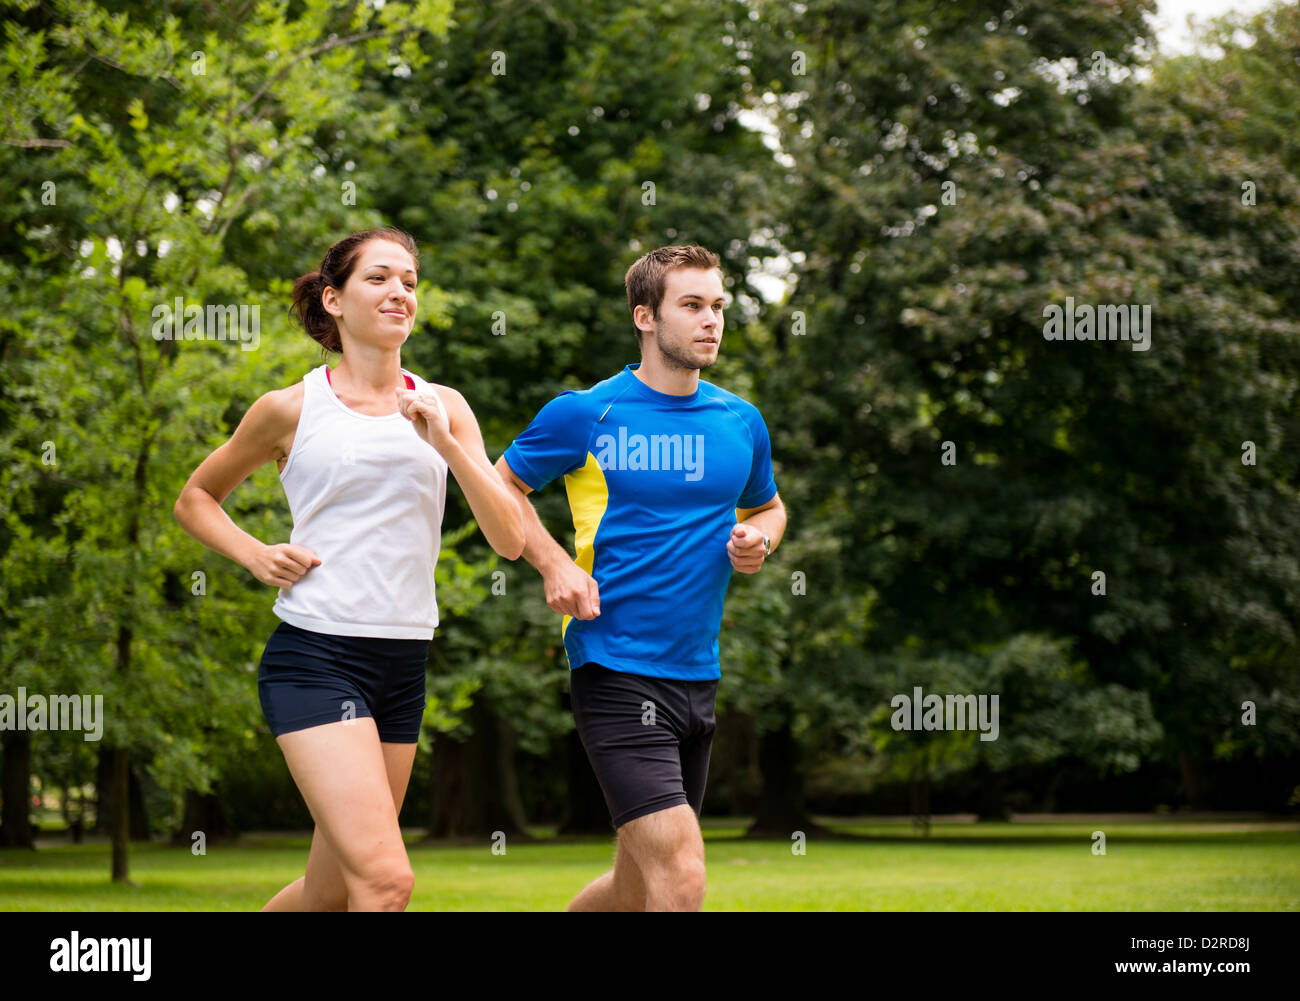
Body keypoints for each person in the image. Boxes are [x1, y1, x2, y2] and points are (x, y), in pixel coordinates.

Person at [173, 227, 524, 911]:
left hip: (403, 663)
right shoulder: (290, 407)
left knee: (330, 890)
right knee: (387, 882)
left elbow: (510, 538)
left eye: (411, 282)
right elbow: (195, 497)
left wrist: (447, 444)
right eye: (380, 278)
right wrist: (254, 553)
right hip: (316, 658)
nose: (400, 292)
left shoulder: (445, 406)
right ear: (334, 300)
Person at [495, 244, 787, 911]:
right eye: (692, 305)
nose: (711, 320)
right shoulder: (586, 413)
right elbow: (499, 481)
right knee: (681, 876)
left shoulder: (740, 420)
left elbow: (768, 505)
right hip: (615, 666)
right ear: (645, 316)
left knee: (636, 886)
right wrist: (553, 560)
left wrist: (757, 541)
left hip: (698, 674)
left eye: (717, 306)